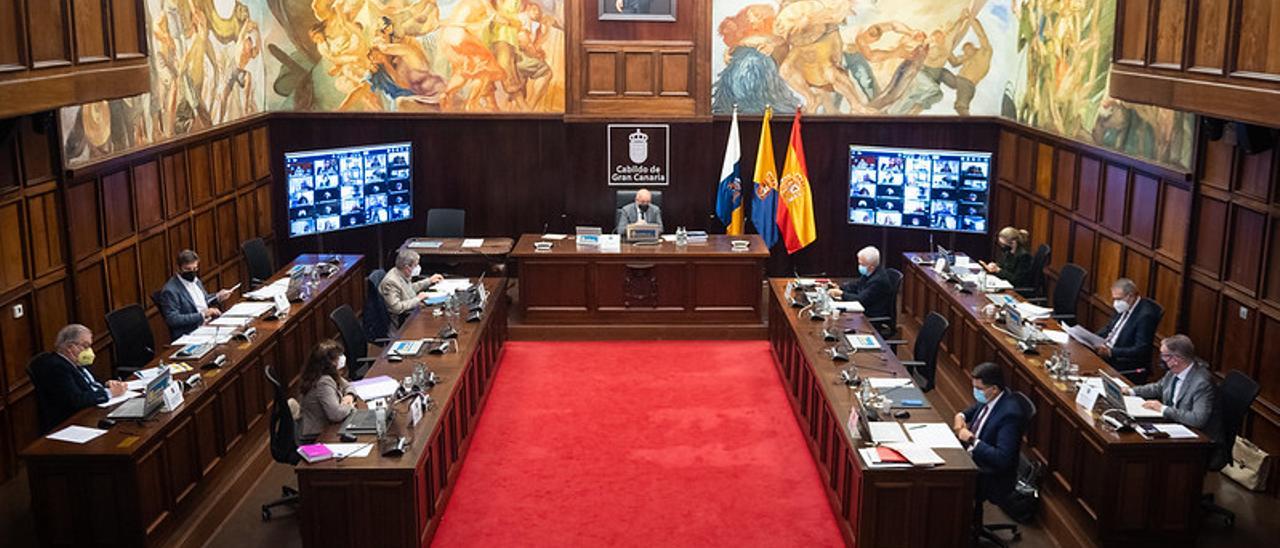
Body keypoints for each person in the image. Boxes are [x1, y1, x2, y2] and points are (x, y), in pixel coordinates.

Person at [29, 324, 128, 434]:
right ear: (71, 348)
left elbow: (87, 386)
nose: (89, 351)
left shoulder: (74, 362)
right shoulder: (57, 368)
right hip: (74, 422)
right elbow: (76, 400)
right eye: (85, 346)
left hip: (92, 411)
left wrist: (106, 385)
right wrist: (109, 393)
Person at [1125, 335, 1221, 443]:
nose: (1161, 359)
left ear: (1176, 359)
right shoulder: (1173, 371)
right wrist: (1130, 391)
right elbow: (1158, 387)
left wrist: (1163, 409)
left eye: (1164, 356)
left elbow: (1197, 419)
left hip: (1197, 439)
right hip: (1173, 424)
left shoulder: (1201, 383)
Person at [953, 362, 1025, 505]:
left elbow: (1002, 458)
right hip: (973, 455)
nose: (975, 391)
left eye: (979, 388)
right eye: (974, 387)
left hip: (989, 472)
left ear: (994, 389)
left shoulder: (1010, 415)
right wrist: (960, 416)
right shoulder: (989, 397)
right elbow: (973, 409)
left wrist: (972, 440)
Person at [1095, 278, 1162, 383]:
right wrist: (1093, 339)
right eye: (1114, 299)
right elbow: (1109, 328)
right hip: (1107, 352)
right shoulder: (1124, 306)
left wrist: (1111, 352)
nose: (1116, 303)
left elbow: (1140, 349)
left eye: (1118, 299)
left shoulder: (1146, 316)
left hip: (1124, 362)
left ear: (1131, 296)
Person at [156, 249, 232, 340]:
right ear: (178, 268)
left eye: (195, 269)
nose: (192, 272)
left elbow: (202, 301)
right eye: (188, 269)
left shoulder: (195, 280)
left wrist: (218, 297)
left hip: (208, 325)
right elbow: (173, 319)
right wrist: (202, 315)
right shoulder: (170, 290)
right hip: (191, 332)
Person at [298, 339, 357, 441]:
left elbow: (348, 386)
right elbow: (336, 414)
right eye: (337, 358)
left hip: (327, 427)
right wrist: (349, 406)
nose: (341, 359)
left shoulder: (326, 374)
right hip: (317, 436)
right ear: (331, 363)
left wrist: (349, 396)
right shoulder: (323, 382)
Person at [379, 250, 444, 327]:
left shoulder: (401, 273)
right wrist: (417, 299)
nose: (418, 268)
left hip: (411, 312)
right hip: (402, 322)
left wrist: (429, 281)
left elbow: (409, 289)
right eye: (416, 265)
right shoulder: (391, 282)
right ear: (407, 267)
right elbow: (396, 308)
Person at [827, 246, 894, 321]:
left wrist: (841, 294)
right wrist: (839, 287)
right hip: (863, 309)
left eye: (862, 264)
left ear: (871, 267)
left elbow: (860, 300)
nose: (859, 266)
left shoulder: (878, 281)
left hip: (869, 315)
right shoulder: (870, 272)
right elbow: (856, 285)